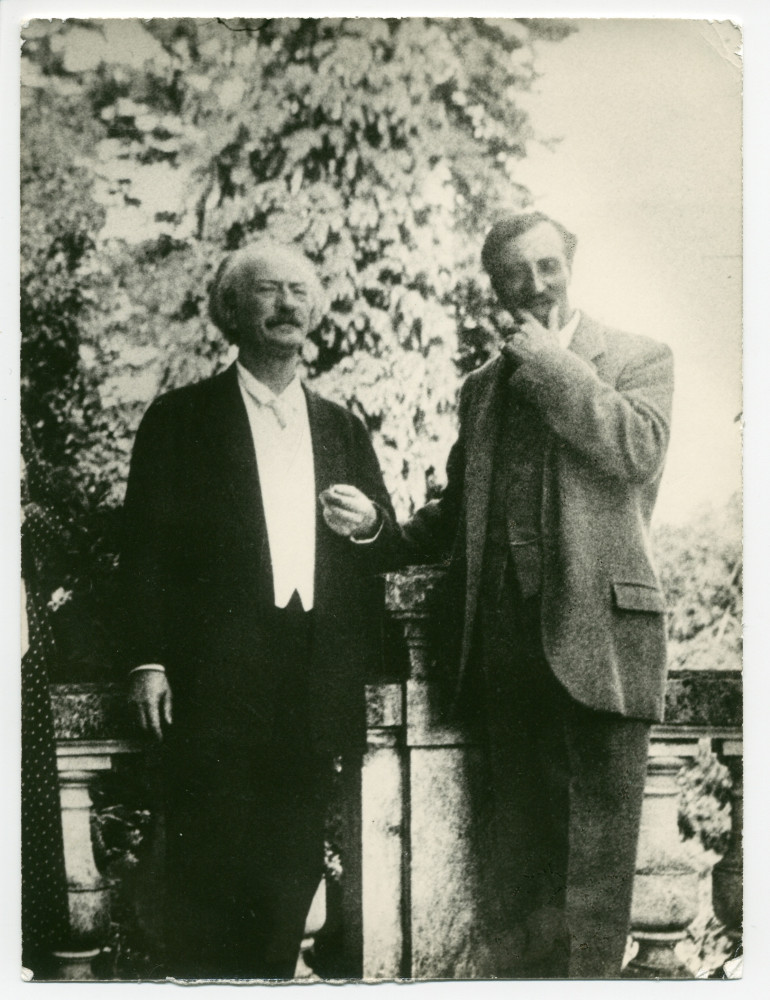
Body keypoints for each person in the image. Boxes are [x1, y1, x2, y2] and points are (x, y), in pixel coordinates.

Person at [390, 211, 673, 977]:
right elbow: (454, 513)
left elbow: (637, 451)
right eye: (516, 275)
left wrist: (555, 366)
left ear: (571, 262)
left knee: (590, 888)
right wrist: (370, 532)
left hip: (600, 649)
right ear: (495, 287)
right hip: (507, 656)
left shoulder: (638, 357)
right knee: (520, 886)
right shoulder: (483, 388)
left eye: (547, 266)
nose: (535, 286)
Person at [121, 241, 397, 980]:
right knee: (211, 876)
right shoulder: (180, 420)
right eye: (269, 292)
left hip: (312, 684)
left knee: (293, 873)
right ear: (233, 311)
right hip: (215, 686)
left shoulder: (342, 426)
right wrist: (148, 659)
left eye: (301, 292)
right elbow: (143, 551)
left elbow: (388, 541)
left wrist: (368, 523)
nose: (288, 306)